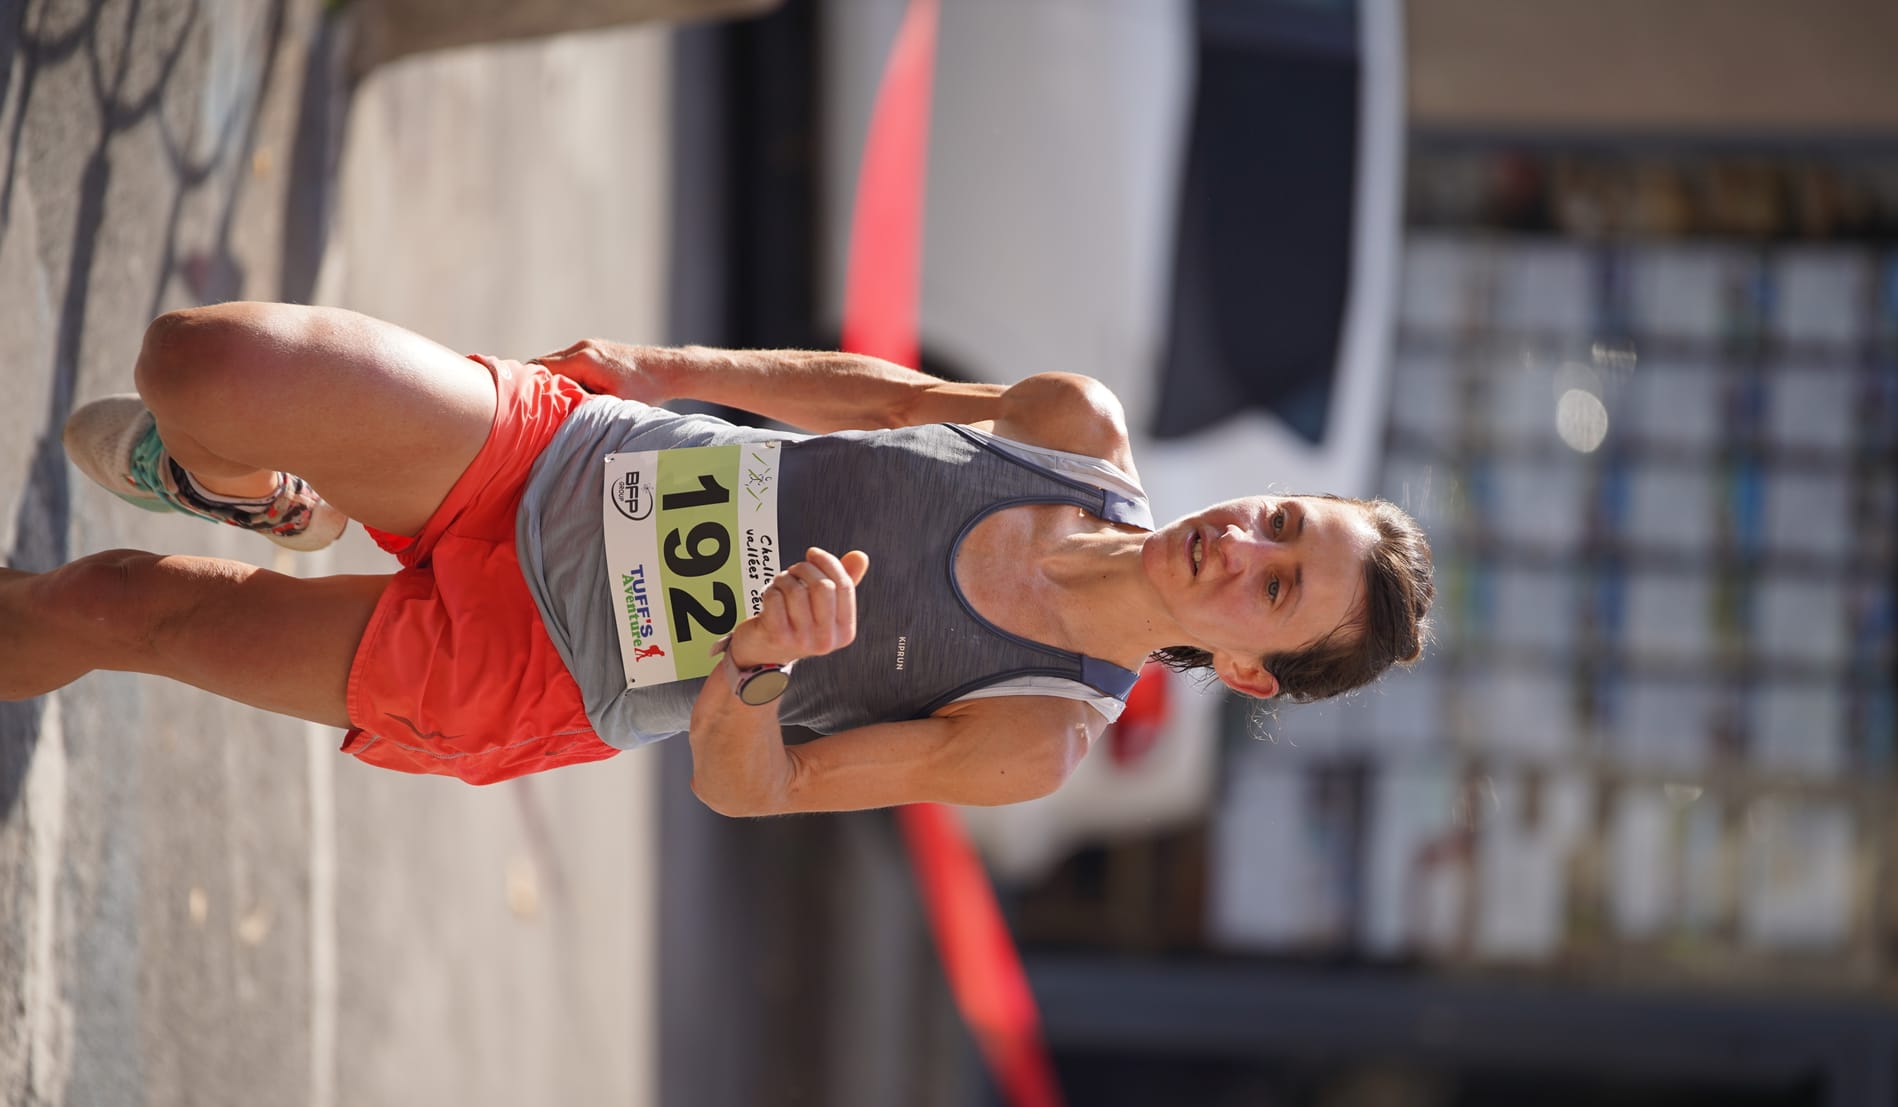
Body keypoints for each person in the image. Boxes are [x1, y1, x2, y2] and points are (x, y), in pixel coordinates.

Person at [1, 302, 1432, 813]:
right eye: (1282, 519)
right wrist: (648, 364)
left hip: (541, 666)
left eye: (1277, 586)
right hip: (563, 455)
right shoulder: (1072, 427)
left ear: (1247, 666)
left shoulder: (1035, 734)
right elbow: (876, 397)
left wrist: (753, 667)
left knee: (121, 607)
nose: (1243, 541)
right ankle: (249, 489)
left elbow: (762, 791)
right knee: (199, 363)